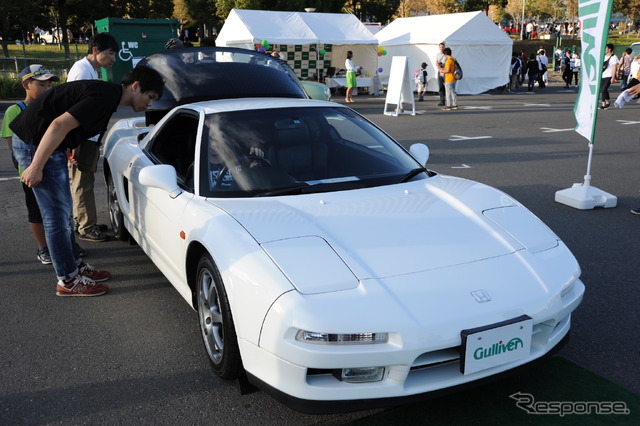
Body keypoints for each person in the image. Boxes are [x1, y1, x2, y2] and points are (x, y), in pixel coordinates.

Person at [10, 66, 165, 297]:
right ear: (135, 86)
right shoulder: (104, 97)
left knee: (62, 214)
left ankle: (73, 266)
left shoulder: (108, 95)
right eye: (150, 96)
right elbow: (58, 125)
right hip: (37, 144)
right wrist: (36, 166)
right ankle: (68, 280)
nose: (150, 103)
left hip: (43, 142)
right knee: (56, 217)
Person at [1, 65, 59, 264]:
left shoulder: (52, 108)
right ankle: (43, 247)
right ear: (26, 84)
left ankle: (61, 243)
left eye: (49, 85)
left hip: (54, 168)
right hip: (31, 173)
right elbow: (14, 146)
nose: (47, 89)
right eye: (42, 84)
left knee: (60, 208)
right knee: (37, 211)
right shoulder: (15, 111)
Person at [66, 33, 118, 243]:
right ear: (96, 50)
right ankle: (86, 227)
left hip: (87, 136)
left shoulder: (90, 71)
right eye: (111, 53)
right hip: (82, 137)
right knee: (81, 182)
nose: (113, 58)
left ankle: (86, 221)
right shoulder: (82, 71)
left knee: (84, 180)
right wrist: (74, 142)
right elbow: (75, 110)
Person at [600, 43, 619, 110]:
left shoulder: (614, 57)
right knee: (603, 89)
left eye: (606, 48)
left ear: (609, 49)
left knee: (604, 89)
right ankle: (604, 103)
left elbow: (614, 68)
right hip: (603, 75)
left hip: (609, 75)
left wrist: (613, 77)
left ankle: (606, 102)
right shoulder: (603, 56)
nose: (605, 50)